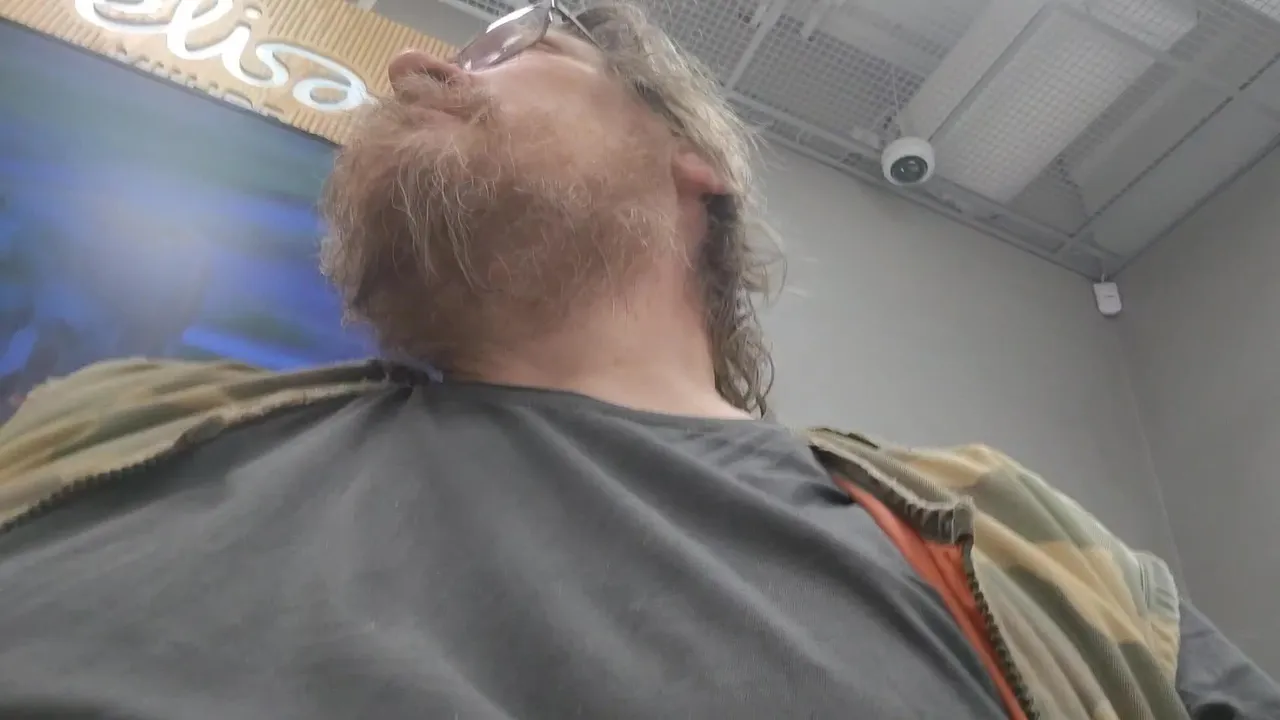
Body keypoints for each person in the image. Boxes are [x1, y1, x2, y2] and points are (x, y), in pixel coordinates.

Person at [0, 2, 1274, 718]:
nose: (421, 65)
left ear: (695, 166)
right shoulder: (108, 424)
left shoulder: (1007, 550)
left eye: (517, 45)